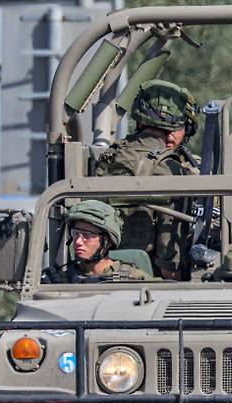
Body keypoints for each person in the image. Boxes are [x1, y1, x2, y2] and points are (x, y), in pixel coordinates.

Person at [95, 79, 200, 280]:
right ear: (174, 131)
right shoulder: (171, 169)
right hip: (146, 276)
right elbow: (170, 253)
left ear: (140, 120)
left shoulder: (108, 158)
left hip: (100, 272)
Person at [41, 200, 151, 283]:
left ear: (108, 242)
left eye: (87, 236)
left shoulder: (134, 278)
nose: (78, 241)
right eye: (75, 234)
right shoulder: (62, 279)